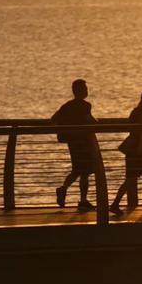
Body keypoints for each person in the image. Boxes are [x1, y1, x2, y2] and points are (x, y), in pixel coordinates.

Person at [110, 90, 142, 215]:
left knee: (130, 178)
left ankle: (115, 203)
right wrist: (141, 146)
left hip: (131, 149)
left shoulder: (135, 111)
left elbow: (131, 128)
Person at [52, 79, 97, 211]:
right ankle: (80, 199)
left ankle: (67, 191)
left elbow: (53, 120)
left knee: (79, 170)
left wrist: (65, 132)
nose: (87, 91)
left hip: (73, 142)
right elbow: (89, 120)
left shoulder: (67, 106)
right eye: (85, 89)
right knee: (84, 171)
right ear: (82, 91)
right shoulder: (85, 105)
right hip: (84, 142)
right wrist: (99, 125)